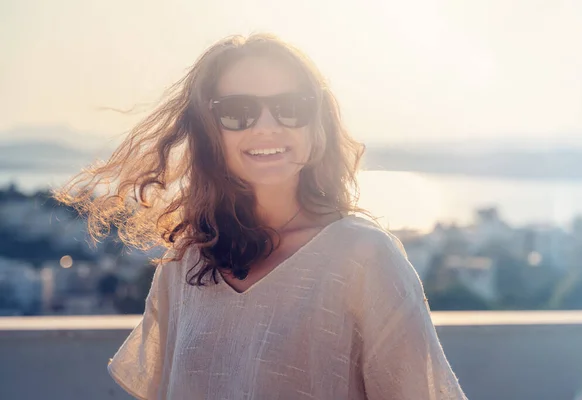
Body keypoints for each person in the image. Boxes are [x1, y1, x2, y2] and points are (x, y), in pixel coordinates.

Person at [54, 33, 467, 399]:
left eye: (291, 107)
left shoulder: (365, 256)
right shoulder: (187, 261)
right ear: (209, 131)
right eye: (237, 111)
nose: (267, 126)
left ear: (317, 125)